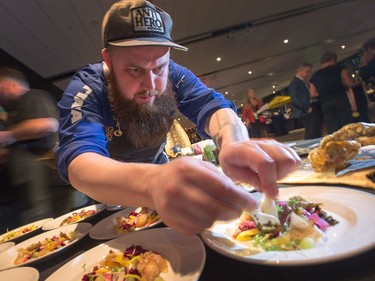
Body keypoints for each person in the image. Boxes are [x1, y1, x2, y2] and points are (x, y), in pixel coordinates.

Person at [56, 0, 300, 235]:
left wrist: (233, 143)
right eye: (135, 70)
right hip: (112, 199)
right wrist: (153, 183)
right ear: (108, 59)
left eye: (159, 68)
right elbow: (78, 162)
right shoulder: (88, 87)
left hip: (166, 181)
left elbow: (212, 104)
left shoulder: (174, 74)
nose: (150, 85)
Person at [0, 67, 59, 227]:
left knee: (42, 226)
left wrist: (5, 135)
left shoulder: (32, 96)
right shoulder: (14, 110)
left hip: (42, 184)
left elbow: (47, 124)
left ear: (9, 85)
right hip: (25, 189)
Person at [310, 52, 357, 134]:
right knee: (346, 123)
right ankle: (350, 142)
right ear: (333, 60)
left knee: (332, 126)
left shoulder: (314, 77)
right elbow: (347, 83)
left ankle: (336, 144)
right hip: (340, 99)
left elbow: (313, 94)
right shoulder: (340, 68)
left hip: (325, 103)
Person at [288, 63, 322, 139]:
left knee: (315, 129)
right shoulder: (295, 83)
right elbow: (295, 99)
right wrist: (306, 108)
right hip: (305, 111)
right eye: (307, 71)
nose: (308, 74)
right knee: (311, 132)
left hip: (309, 109)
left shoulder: (303, 82)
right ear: (301, 70)